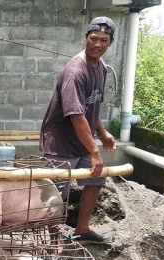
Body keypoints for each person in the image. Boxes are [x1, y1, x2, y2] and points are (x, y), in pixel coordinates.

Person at [39, 17, 117, 244]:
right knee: (56, 194)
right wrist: (94, 152)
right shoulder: (75, 71)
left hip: (83, 140)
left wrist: (102, 133)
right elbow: (76, 115)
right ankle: (51, 242)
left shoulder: (101, 68)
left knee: (96, 179)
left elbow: (91, 106)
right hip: (60, 142)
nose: (97, 44)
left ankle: (82, 229)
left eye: (104, 40)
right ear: (86, 38)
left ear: (110, 44)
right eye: (93, 38)